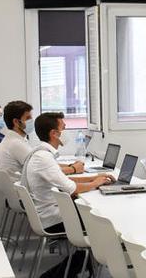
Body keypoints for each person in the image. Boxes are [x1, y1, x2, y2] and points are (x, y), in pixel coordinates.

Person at [21, 112, 114, 278]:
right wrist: (96, 183)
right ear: (54, 134)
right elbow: (72, 188)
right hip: (52, 218)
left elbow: (64, 181)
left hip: (50, 212)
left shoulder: (41, 153)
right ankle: (63, 271)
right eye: (64, 127)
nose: (67, 131)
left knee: (95, 217)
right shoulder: (44, 158)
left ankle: (87, 264)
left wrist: (94, 177)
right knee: (102, 222)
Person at [0, 101, 84, 178]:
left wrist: (70, 165)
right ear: (16, 122)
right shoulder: (15, 144)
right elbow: (46, 172)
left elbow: (47, 165)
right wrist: (73, 169)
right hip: (22, 193)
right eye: (28, 118)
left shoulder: (14, 139)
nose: (31, 121)